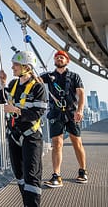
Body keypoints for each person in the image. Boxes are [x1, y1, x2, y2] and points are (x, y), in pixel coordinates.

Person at [0, 50, 47, 207]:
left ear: (26, 67)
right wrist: (3, 83)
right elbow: (2, 99)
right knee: (19, 175)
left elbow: (38, 112)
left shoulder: (37, 88)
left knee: (31, 176)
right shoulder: (13, 85)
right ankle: (27, 204)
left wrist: (17, 111)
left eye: (16, 65)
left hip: (31, 136)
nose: (12, 68)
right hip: (14, 135)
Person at [40, 50, 87, 187]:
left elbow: (81, 94)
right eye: (57, 57)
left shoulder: (74, 77)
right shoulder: (49, 76)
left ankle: (83, 171)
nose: (59, 59)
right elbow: (34, 81)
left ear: (67, 61)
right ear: (54, 60)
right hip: (56, 113)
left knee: (76, 142)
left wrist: (80, 110)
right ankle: (56, 176)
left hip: (72, 113)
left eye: (62, 57)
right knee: (57, 144)